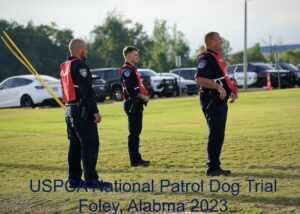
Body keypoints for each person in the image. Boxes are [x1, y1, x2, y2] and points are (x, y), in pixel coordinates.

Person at [60, 39, 111, 188]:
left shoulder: (65, 66)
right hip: (81, 110)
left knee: (75, 146)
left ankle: (74, 180)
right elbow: (86, 90)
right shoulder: (80, 65)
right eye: (86, 49)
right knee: (90, 144)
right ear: (79, 49)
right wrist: (95, 111)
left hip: (69, 110)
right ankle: (92, 181)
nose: (87, 52)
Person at [195, 32, 238, 176]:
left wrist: (230, 90)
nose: (222, 42)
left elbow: (222, 78)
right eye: (220, 40)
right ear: (212, 41)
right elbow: (200, 78)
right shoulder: (206, 58)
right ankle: (212, 167)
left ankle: (214, 166)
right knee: (216, 133)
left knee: (218, 134)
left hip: (219, 100)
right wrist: (218, 87)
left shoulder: (216, 57)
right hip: (211, 100)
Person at [120, 46, 150, 167]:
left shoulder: (132, 69)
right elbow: (130, 89)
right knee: (133, 133)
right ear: (128, 56)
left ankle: (137, 158)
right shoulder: (127, 70)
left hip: (137, 103)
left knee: (136, 132)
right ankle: (135, 160)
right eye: (135, 54)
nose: (137, 56)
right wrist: (142, 97)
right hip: (132, 103)